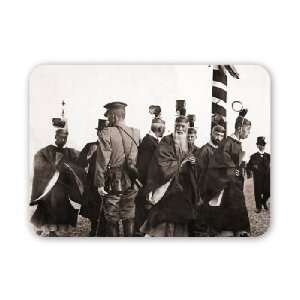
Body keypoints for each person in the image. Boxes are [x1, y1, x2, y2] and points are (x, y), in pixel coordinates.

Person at [140, 114, 198, 237]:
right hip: (167, 188)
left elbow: (193, 163)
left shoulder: (189, 145)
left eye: (183, 126)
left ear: (187, 128)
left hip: (183, 190)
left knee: (181, 223)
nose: (180, 129)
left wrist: (193, 163)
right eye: (178, 126)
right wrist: (181, 164)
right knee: (164, 221)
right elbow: (161, 162)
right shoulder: (166, 141)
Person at [95, 102, 140, 237]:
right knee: (129, 216)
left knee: (112, 218)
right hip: (132, 180)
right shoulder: (135, 132)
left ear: (114, 116)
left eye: (108, 116)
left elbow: (103, 159)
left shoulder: (106, 132)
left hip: (113, 181)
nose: (108, 120)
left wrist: (100, 183)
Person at [30, 127, 86, 237]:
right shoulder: (47, 151)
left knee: (61, 207)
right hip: (49, 188)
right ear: (55, 137)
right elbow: (38, 160)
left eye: (65, 138)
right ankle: (50, 230)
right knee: (48, 207)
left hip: (63, 187)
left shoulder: (70, 152)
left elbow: (81, 161)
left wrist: (69, 167)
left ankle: (56, 231)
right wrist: (52, 167)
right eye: (60, 137)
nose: (62, 139)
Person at [204, 109, 251, 237]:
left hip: (234, 184)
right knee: (231, 212)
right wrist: (234, 170)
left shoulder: (236, 143)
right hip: (227, 185)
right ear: (240, 128)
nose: (248, 133)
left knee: (236, 209)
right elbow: (221, 162)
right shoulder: (228, 142)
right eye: (248, 130)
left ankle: (237, 230)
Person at [135, 110, 166, 235]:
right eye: (163, 129)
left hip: (147, 186)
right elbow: (145, 168)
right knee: (142, 217)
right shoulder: (149, 143)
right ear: (159, 129)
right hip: (146, 187)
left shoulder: (151, 142)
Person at [192, 125, 225, 236]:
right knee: (202, 221)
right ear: (211, 134)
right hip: (205, 191)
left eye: (221, 135)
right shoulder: (204, 150)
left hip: (217, 190)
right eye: (217, 135)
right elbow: (197, 173)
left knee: (214, 218)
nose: (219, 138)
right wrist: (199, 193)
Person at [78, 119, 108, 236]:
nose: (103, 134)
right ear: (98, 133)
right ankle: (94, 229)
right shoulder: (90, 146)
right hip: (92, 182)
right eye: (101, 131)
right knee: (93, 210)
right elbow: (80, 163)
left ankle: (104, 231)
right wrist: (89, 155)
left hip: (107, 182)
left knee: (107, 209)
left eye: (106, 131)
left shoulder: (113, 146)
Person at [246, 137, 270, 213]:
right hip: (258, 178)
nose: (262, 146)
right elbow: (248, 167)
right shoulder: (253, 157)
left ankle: (263, 201)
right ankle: (258, 207)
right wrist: (249, 174)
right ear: (257, 146)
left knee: (268, 191)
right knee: (258, 192)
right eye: (260, 145)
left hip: (267, 177)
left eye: (263, 145)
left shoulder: (269, 156)